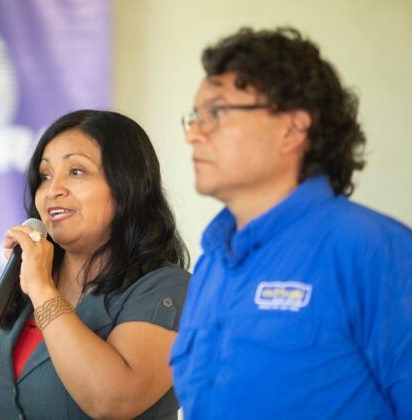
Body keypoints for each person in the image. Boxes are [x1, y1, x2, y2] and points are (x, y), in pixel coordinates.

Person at [0, 109, 190, 419]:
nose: (53, 190)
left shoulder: (167, 288)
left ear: (127, 186)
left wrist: (42, 291)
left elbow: (113, 401)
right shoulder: (28, 279)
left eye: (76, 171)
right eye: (45, 176)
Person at [170, 27, 412, 419]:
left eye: (217, 112)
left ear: (292, 129)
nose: (194, 134)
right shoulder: (213, 262)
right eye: (195, 116)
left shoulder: (375, 250)